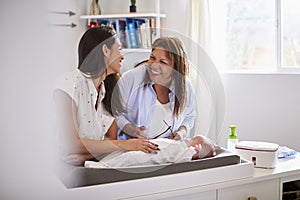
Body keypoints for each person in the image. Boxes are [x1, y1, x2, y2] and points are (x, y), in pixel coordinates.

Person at [54, 25, 158, 166]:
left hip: (88, 165)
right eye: (119, 49)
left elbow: (109, 141)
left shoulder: (108, 92)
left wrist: (86, 157)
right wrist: (124, 144)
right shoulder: (67, 85)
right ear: (105, 50)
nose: (122, 56)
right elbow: (71, 144)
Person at [116, 37, 196, 140]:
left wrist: (182, 132)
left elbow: (189, 117)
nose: (154, 65)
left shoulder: (185, 86)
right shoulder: (131, 78)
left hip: (167, 147)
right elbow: (116, 114)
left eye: (163, 62)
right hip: (134, 147)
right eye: (152, 58)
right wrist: (132, 131)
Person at [84, 135, 216, 168]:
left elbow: (181, 158)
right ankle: (103, 162)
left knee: (133, 158)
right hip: (153, 145)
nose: (190, 139)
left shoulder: (186, 151)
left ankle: (103, 166)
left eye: (195, 140)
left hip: (157, 153)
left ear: (197, 147)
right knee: (127, 152)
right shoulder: (181, 144)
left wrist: (191, 151)